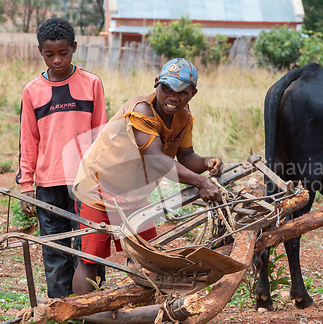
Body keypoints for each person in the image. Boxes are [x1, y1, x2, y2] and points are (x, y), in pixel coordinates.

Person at [72, 58, 223, 295]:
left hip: (135, 193)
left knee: (148, 256)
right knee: (91, 261)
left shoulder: (184, 118)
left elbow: (187, 157)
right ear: (156, 85)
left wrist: (205, 163)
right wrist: (201, 182)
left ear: (193, 94)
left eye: (181, 92)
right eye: (167, 89)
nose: (172, 97)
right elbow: (156, 159)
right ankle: (84, 321)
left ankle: (143, 318)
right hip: (99, 189)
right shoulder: (141, 110)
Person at [16, 17, 107, 298]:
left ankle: (94, 315)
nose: (57, 60)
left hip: (85, 183)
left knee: (89, 251)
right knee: (54, 253)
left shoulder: (91, 84)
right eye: (49, 54)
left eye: (63, 53)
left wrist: (103, 178)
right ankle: (61, 315)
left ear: (75, 48)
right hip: (48, 185)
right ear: (40, 52)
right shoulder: (32, 90)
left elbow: (101, 135)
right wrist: (26, 184)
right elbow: (28, 140)